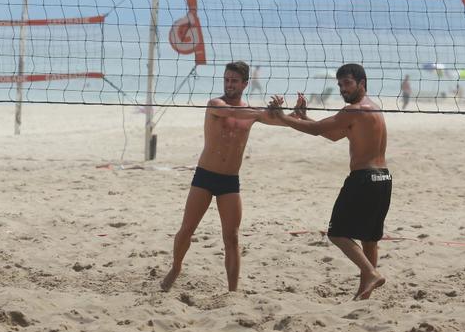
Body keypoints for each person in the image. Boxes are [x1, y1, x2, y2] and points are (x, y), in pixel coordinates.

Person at [161, 61, 294, 292]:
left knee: (231, 237)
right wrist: (265, 112)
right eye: (226, 79)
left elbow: (281, 121)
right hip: (204, 177)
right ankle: (176, 266)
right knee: (187, 229)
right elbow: (232, 112)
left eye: (234, 80)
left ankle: (232, 291)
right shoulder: (215, 104)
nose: (229, 84)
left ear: (245, 83)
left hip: (230, 181)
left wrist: (294, 114)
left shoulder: (252, 112)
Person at [269, 64, 390, 301]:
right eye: (341, 85)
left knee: (337, 234)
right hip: (384, 179)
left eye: (348, 83)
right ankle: (364, 294)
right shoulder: (373, 108)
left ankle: (370, 272)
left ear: (362, 83)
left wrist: (283, 117)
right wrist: (304, 117)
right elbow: (333, 134)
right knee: (369, 240)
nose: (343, 89)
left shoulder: (353, 110)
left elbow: (316, 131)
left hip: (363, 179)